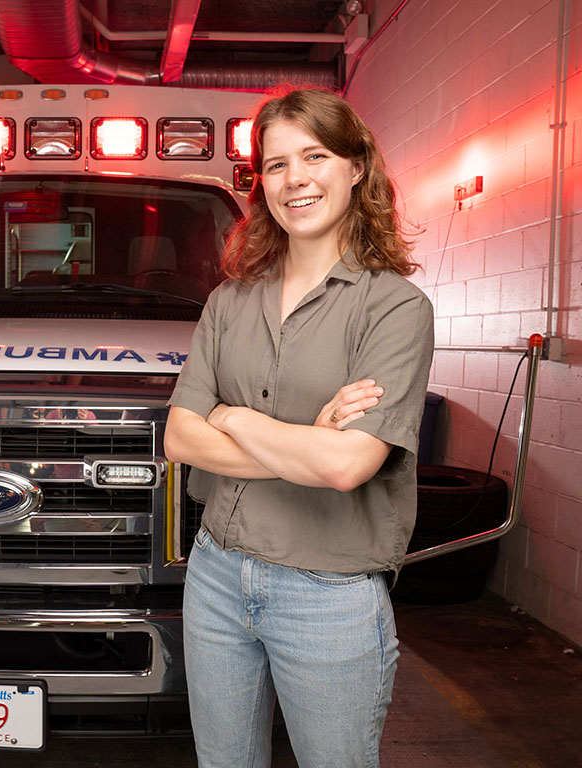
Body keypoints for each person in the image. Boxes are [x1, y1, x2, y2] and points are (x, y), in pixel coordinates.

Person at [164, 87, 434, 767]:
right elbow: (179, 438)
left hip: (330, 593)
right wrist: (303, 440)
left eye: (314, 155)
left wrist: (235, 417)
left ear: (355, 167)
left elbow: (346, 468)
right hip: (218, 576)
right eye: (276, 165)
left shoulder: (395, 309)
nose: (295, 179)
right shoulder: (230, 301)